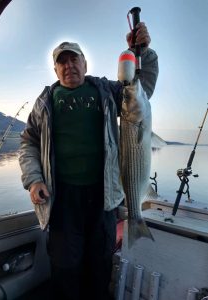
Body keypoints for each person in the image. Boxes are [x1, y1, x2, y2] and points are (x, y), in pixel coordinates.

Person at [19, 22, 158, 300]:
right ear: (55, 69)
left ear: (85, 62)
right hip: (62, 199)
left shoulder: (106, 90)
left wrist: (144, 52)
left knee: (100, 263)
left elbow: (140, 89)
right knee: (64, 266)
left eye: (74, 59)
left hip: (103, 195)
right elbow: (28, 143)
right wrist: (34, 180)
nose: (69, 66)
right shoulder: (45, 102)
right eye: (63, 62)